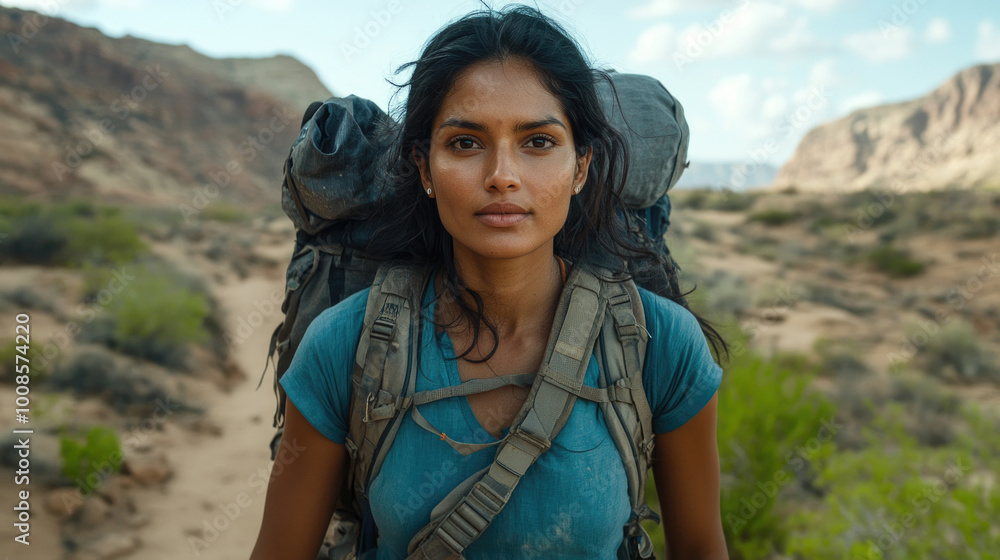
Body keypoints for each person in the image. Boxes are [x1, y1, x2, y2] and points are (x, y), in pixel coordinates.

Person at [250, 5, 729, 560]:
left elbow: (699, 547)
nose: (502, 174)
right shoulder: (346, 345)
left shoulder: (658, 344)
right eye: (465, 143)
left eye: (539, 142)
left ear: (581, 167)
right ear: (425, 168)